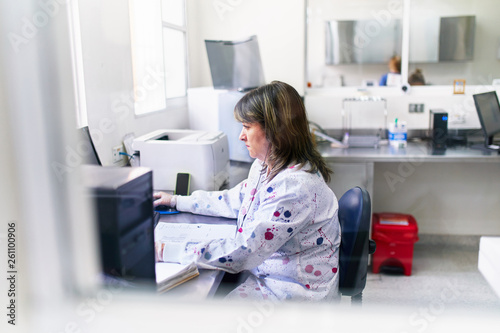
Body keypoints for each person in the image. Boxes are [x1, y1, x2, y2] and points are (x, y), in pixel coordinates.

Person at [153, 81, 340, 302]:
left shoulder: (295, 189)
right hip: (268, 273)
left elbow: (245, 251)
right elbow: (236, 199)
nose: (241, 136)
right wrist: (176, 201)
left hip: (293, 290)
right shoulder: (266, 165)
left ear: (275, 129)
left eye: (247, 127)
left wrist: (167, 251)